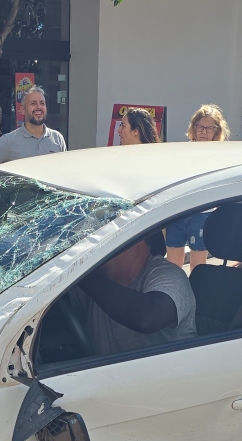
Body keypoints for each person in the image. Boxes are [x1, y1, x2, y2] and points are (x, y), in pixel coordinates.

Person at [81, 235, 197, 357]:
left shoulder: (168, 274)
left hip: (174, 374)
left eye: (108, 241)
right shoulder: (100, 278)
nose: (99, 251)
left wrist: (81, 275)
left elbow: (149, 317)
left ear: (136, 239)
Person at [165, 104, 230, 270]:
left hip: (203, 214)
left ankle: (195, 294)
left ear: (217, 131)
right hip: (178, 212)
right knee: (173, 262)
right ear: (193, 127)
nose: (204, 132)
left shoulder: (221, 155)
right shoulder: (182, 151)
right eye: (200, 127)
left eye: (209, 128)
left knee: (199, 263)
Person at [0, 87, 66, 168]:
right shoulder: (9, 141)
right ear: (22, 110)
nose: (39, 107)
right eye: (33, 103)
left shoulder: (57, 138)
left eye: (42, 103)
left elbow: (64, 169)